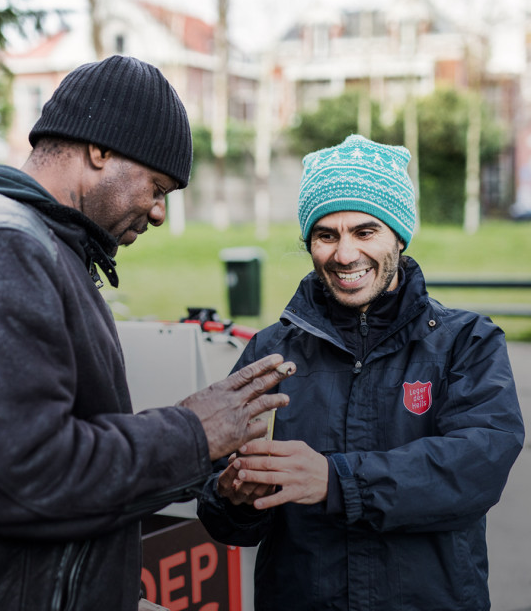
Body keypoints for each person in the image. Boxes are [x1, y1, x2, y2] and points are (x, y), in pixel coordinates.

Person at [0, 55, 294, 611]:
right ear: (99, 149)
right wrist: (192, 433)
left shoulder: (48, 248)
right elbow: (16, 478)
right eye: (157, 187)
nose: (157, 213)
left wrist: (205, 457)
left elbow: (62, 448)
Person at [197, 134, 525, 611]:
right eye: (326, 235)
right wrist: (235, 497)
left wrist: (336, 481)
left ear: (399, 235)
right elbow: (221, 509)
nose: (345, 254)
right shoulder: (269, 352)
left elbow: (476, 469)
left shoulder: (466, 342)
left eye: (365, 231)